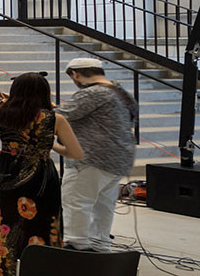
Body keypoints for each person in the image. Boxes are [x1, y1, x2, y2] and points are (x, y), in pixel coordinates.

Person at [0, 72, 84, 276]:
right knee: (45, 219)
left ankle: (2, 268)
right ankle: (44, 267)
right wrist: (51, 147)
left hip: (6, 171)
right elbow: (76, 153)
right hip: (41, 174)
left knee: (4, 220)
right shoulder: (55, 119)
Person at [57, 57, 138, 253]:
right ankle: (100, 249)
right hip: (118, 160)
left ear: (75, 74)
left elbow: (58, 118)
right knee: (103, 206)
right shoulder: (121, 92)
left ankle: (77, 248)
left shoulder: (92, 93)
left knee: (77, 203)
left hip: (91, 159)